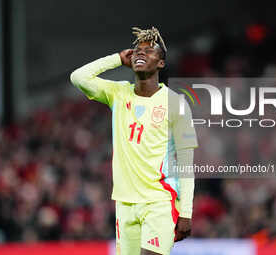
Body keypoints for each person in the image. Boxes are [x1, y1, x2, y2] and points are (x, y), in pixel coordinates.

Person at [70, 26, 198, 255]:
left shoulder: (176, 104)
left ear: (161, 63)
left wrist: (186, 213)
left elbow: (187, 163)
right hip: (125, 203)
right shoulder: (118, 94)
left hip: (159, 201)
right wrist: (117, 59)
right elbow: (78, 77)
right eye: (137, 50)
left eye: (149, 51)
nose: (140, 53)